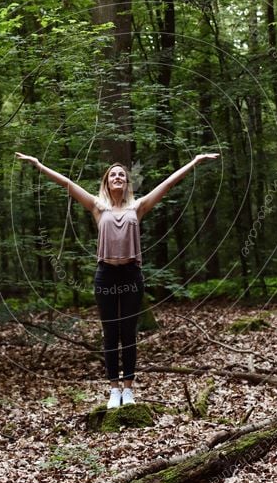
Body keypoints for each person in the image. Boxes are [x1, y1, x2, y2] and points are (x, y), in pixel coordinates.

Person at [15, 151, 219, 408]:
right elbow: (67, 183)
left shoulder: (138, 206)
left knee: (128, 333)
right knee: (110, 333)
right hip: (106, 275)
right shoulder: (97, 207)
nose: (117, 177)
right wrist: (38, 164)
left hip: (131, 274)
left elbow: (168, 184)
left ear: (126, 183)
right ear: (106, 182)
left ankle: (129, 389)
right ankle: (114, 389)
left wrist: (194, 161)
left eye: (122, 174)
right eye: (113, 174)